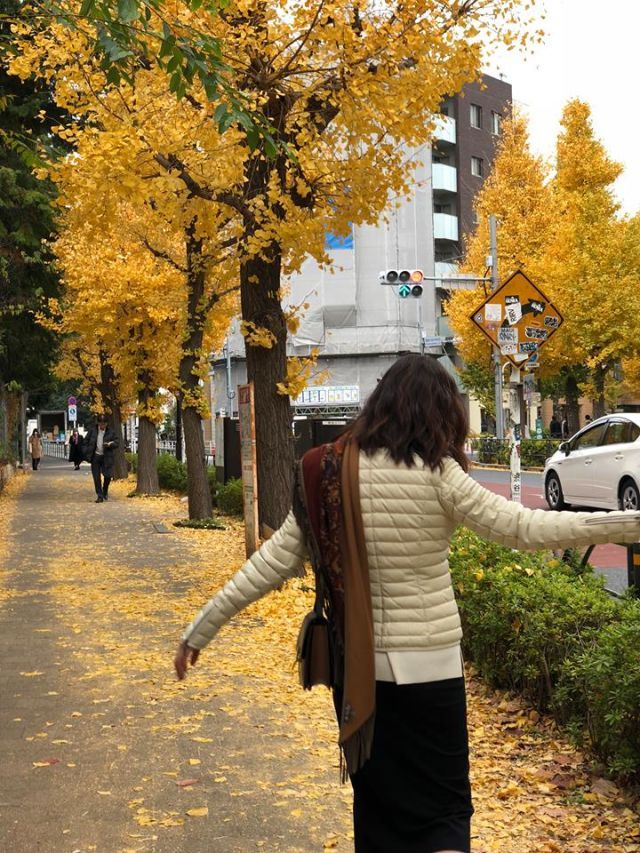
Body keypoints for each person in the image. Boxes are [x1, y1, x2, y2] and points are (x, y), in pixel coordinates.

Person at [174, 354, 640, 853]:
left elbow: (269, 564)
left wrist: (199, 631)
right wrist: (626, 524)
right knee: (443, 809)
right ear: (441, 413)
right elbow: (525, 528)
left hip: (360, 674)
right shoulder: (437, 472)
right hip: (431, 667)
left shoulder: (327, 471)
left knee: (378, 812)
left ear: (382, 404)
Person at [82, 415, 119, 502]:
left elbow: (117, 442)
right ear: (98, 423)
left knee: (108, 475)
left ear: (107, 424)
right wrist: (86, 451)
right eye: (101, 424)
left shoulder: (111, 432)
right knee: (96, 477)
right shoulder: (92, 430)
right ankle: (100, 495)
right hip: (95, 456)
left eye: (104, 424)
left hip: (106, 456)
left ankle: (105, 489)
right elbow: (85, 442)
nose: (102, 426)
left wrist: (110, 444)